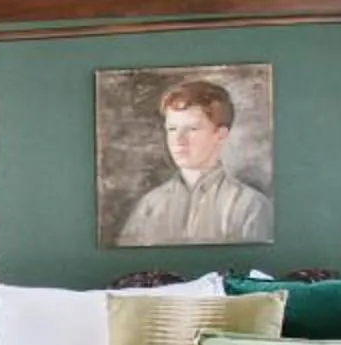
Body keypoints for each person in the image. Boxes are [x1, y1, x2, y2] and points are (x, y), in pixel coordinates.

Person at [116, 77, 271, 245]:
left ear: (220, 134)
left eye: (192, 129)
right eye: (172, 129)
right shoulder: (149, 206)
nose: (179, 140)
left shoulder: (250, 206)